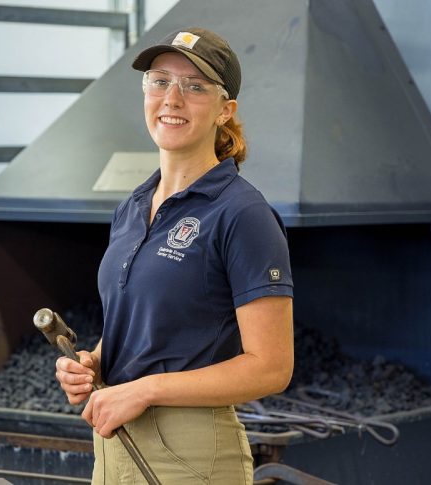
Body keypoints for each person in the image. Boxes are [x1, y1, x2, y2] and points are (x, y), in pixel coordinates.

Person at [55, 27, 294, 484]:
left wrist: (145, 390)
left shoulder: (242, 213)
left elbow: (272, 366)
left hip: (191, 453)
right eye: (160, 80)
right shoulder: (132, 208)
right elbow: (150, 327)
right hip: (114, 442)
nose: (172, 98)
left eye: (195, 86)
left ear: (226, 111)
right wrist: (92, 364)